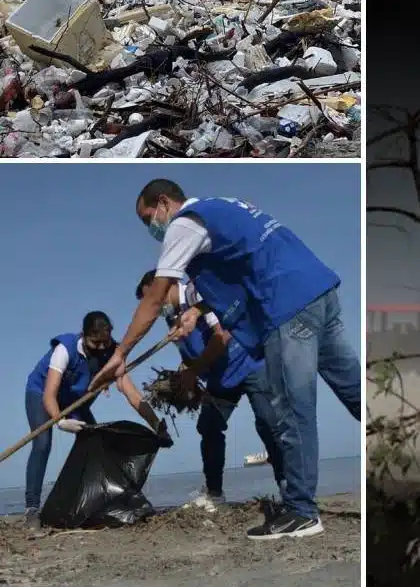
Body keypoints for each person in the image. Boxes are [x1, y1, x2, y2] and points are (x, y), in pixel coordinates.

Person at [94, 179, 362, 541]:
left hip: (285, 305)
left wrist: (121, 353)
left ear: (163, 203)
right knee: (355, 390)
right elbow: (248, 259)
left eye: (148, 218)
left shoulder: (185, 223)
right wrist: (199, 309)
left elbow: (155, 298)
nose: (151, 228)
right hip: (317, 291)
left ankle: (301, 511)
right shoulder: (225, 205)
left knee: (291, 411)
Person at [136, 271, 287, 508]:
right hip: (220, 378)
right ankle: (215, 493)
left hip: (248, 365)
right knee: (208, 426)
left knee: (268, 424)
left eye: (155, 297)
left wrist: (194, 371)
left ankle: (289, 489)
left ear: (168, 285)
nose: (156, 305)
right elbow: (190, 354)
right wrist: (187, 375)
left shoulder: (198, 293)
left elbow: (222, 337)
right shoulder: (172, 319)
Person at [24, 311, 165, 533]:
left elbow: (131, 393)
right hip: (41, 395)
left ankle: (97, 501)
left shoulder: (114, 354)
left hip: (75, 401)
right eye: (95, 342)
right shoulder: (65, 349)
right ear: (84, 335)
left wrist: (156, 424)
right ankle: (32, 509)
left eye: (104, 342)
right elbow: (49, 394)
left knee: (96, 442)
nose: (100, 348)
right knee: (42, 444)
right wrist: (60, 422)